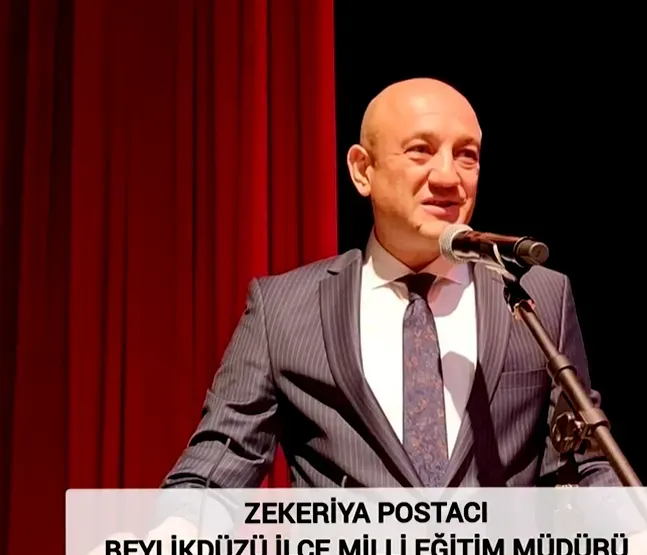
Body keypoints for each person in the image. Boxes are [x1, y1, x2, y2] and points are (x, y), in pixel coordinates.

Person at [161, 77, 620, 491]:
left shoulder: (537, 297)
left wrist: (631, 534)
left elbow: (582, 463)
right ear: (363, 170)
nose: (448, 177)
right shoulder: (283, 309)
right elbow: (217, 464)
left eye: (467, 155)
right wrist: (174, 533)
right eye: (420, 150)